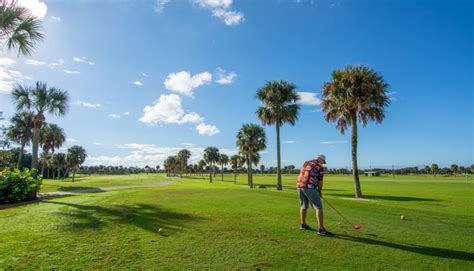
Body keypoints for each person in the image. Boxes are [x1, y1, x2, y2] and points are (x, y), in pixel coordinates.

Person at [296, 154, 332, 236]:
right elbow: (320, 181)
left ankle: (303, 225)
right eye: (323, 161)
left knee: (303, 205)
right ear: (320, 159)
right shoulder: (319, 166)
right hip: (310, 187)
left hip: (299, 186)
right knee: (318, 207)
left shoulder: (306, 163)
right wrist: (319, 191)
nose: (323, 163)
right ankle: (321, 229)